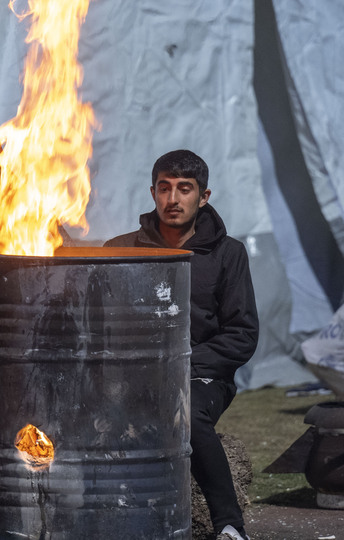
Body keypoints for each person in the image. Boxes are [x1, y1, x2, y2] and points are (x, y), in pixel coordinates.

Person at [104, 150, 259, 540]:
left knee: (184, 413)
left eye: (184, 189)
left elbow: (242, 334)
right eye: (164, 188)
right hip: (130, 376)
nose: (173, 199)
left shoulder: (229, 254)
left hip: (202, 376)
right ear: (153, 192)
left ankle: (229, 525)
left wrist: (181, 364)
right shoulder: (122, 249)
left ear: (203, 196)